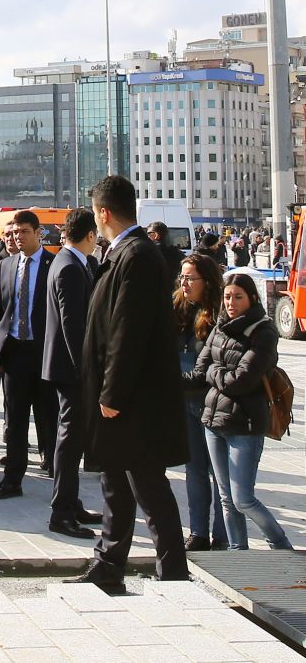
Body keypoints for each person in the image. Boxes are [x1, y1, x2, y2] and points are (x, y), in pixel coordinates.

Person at [72, 175, 188, 594]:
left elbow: (128, 329)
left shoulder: (136, 254)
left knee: (147, 486)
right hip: (119, 395)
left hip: (131, 399)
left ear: (104, 213)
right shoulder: (124, 252)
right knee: (115, 483)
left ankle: (173, 571)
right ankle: (109, 564)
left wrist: (112, 392)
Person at [189, 274, 292, 552]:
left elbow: (241, 381)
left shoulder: (264, 332)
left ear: (252, 298)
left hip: (245, 425)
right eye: (227, 297)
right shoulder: (220, 327)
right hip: (213, 422)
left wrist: (213, 371)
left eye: (238, 297)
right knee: (226, 498)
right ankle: (238, 551)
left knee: (243, 499)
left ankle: (281, 545)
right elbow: (199, 372)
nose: (231, 303)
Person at [42, 208, 104, 540]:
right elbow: (72, 324)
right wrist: (85, 370)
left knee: (73, 439)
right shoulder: (68, 266)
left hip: (67, 367)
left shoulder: (71, 262)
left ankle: (71, 503)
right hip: (71, 370)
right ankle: (61, 512)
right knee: (69, 440)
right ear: (90, 235)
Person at [0, 210, 55, 499]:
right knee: (15, 418)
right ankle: (12, 479)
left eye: (24, 231)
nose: (18, 237)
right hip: (15, 351)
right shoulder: (6, 266)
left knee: (49, 415)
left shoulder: (54, 264)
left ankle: (57, 473)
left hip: (45, 351)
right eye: (14, 232)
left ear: (38, 233)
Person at [174, 251, 229, 552]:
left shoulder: (220, 314)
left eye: (190, 278)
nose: (184, 283)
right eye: (182, 277)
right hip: (185, 402)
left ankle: (221, 535)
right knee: (194, 470)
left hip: (212, 403)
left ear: (207, 281)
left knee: (219, 474)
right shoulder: (177, 309)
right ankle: (197, 532)